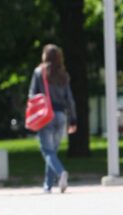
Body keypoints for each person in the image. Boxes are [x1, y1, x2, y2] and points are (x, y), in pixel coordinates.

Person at [29, 44, 77, 194]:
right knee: (52, 151)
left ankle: (61, 172)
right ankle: (47, 186)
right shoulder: (63, 74)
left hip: (46, 115)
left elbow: (32, 94)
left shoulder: (39, 72)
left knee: (47, 150)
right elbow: (70, 98)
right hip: (61, 115)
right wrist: (73, 119)